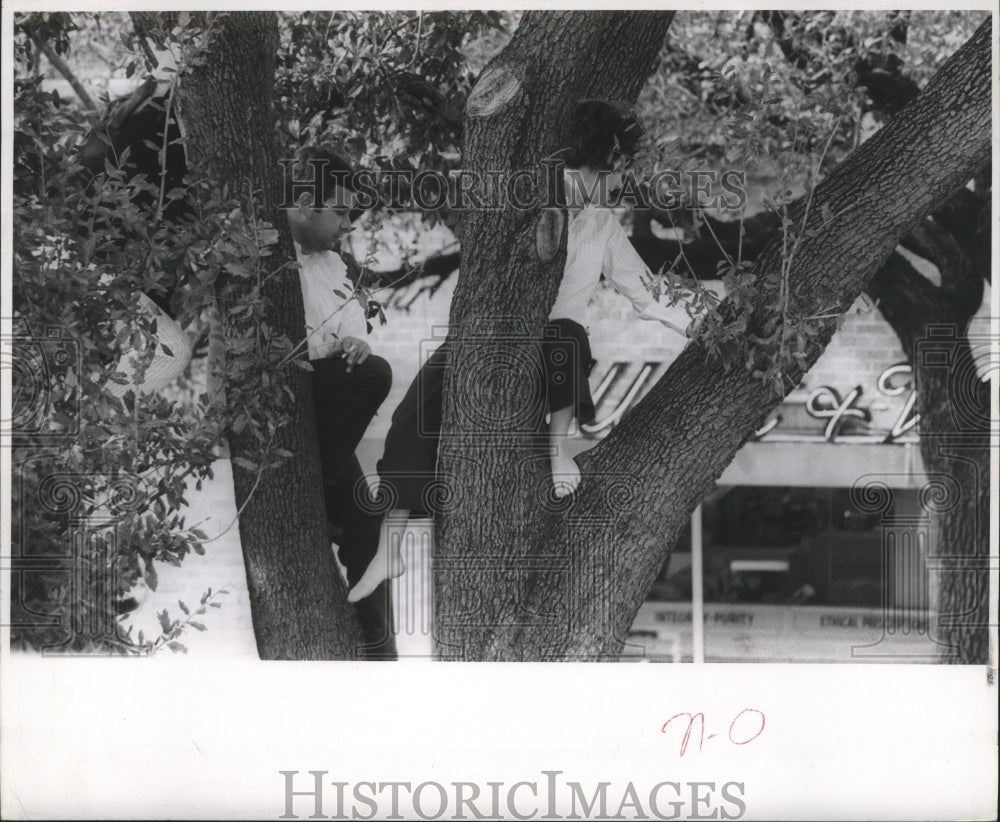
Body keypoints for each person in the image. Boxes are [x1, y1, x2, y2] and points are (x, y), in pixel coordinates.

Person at [345, 100, 693, 603]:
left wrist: (704, 326)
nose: (607, 187)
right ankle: (390, 546)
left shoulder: (601, 225)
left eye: (607, 176)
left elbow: (646, 293)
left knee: (567, 336)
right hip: (489, 340)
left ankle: (558, 449)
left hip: (555, 350)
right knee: (411, 414)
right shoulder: (520, 205)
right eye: (598, 174)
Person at [284, 147, 396, 657]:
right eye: (341, 211)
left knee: (366, 522)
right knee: (373, 376)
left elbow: (352, 325)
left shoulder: (334, 264)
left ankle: (378, 654)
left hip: (326, 415)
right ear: (305, 203)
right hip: (286, 395)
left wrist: (357, 341)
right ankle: (323, 483)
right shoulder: (268, 255)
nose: (348, 223)